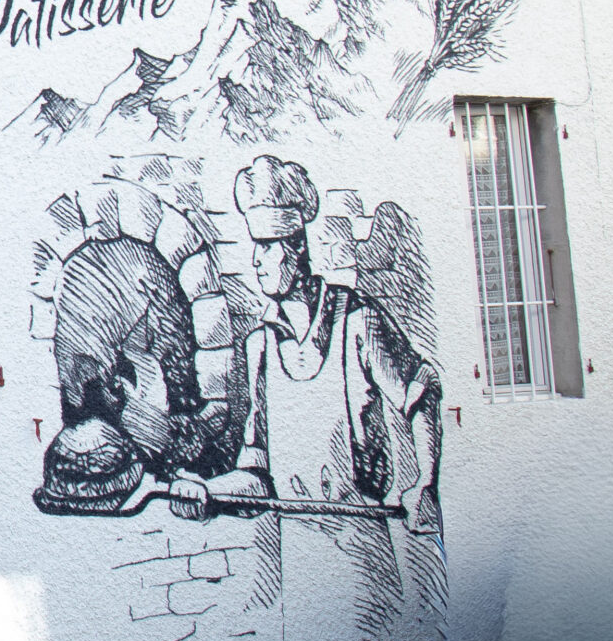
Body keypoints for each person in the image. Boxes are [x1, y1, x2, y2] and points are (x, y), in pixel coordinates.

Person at [170, 157, 443, 539]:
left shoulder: (357, 321)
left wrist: (426, 483)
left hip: (365, 547)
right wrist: (209, 492)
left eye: (267, 246)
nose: (256, 261)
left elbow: (422, 390)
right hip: (298, 553)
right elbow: (257, 476)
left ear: (297, 247)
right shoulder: (259, 346)